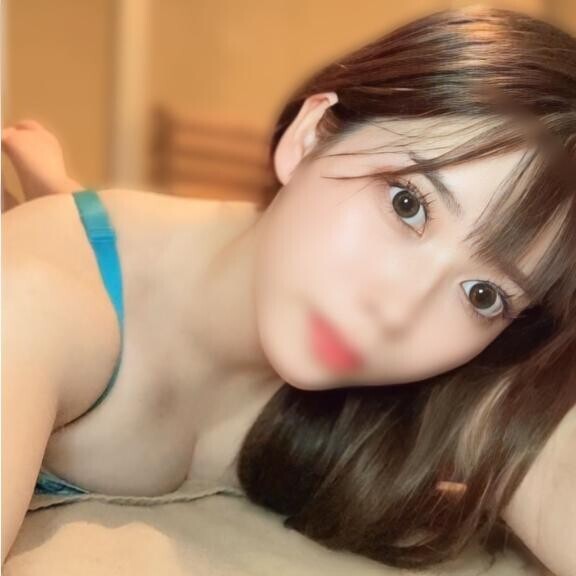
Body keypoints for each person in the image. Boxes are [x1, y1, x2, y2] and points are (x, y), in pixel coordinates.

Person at [2, 6, 575, 574]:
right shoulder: (35, 300)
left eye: (483, 294)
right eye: (408, 204)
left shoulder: (440, 380)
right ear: (308, 137)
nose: (398, 312)